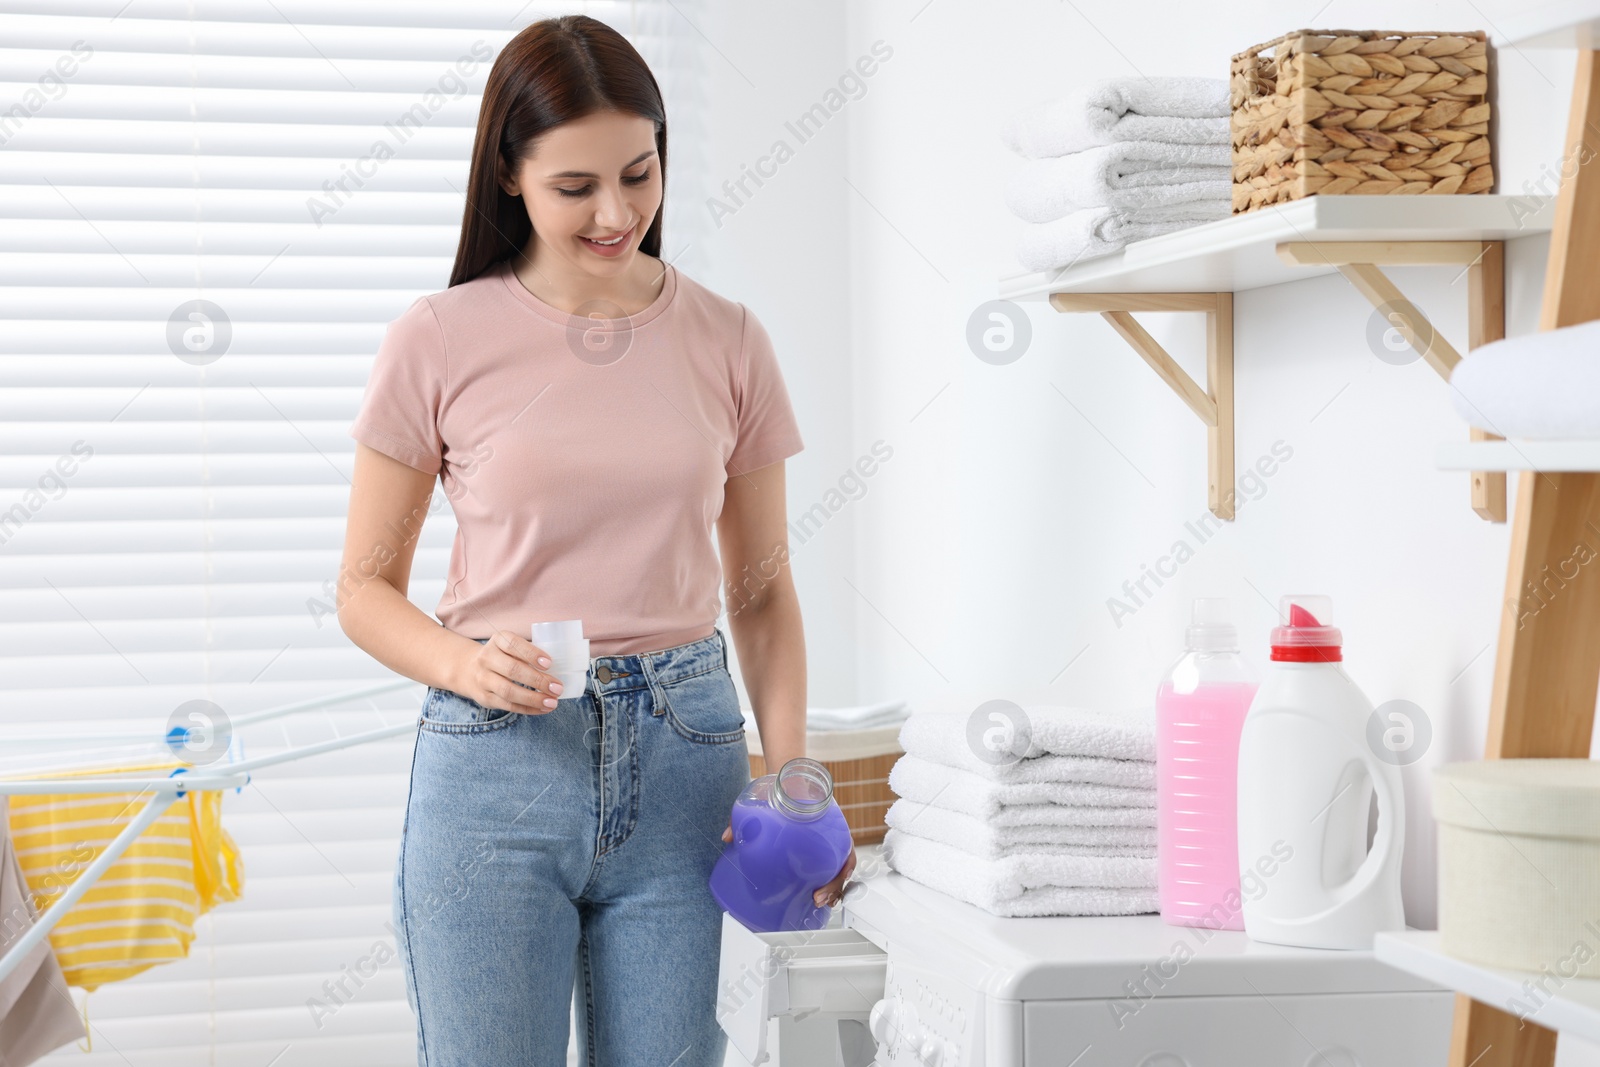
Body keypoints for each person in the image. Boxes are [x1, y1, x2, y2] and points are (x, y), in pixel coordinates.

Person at [335, 15, 854, 1066]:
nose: (618, 213)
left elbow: (758, 589)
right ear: (511, 177)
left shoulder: (728, 337)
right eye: (577, 187)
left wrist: (790, 768)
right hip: (496, 757)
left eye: (639, 171)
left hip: (686, 756)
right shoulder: (436, 339)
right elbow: (362, 587)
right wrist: (463, 661)